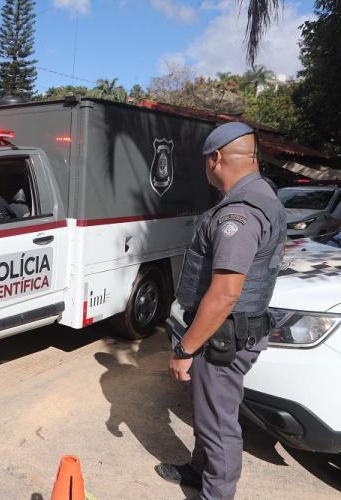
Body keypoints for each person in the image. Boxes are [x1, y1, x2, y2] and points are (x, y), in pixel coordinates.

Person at [156, 122, 286, 500]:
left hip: (222, 335)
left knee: (218, 424)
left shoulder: (239, 214)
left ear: (216, 158)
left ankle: (216, 494)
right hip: (224, 331)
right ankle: (199, 470)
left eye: (204, 161)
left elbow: (226, 293)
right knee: (209, 409)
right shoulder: (262, 195)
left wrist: (185, 350)